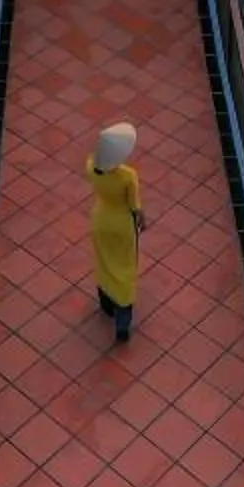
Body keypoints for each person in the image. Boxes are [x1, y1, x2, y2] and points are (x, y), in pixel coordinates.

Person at [88, 121, 145, 344]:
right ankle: (122, 321)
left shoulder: (90, 166)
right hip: (122, 224)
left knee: (105, 261)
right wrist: (142, 218)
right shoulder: (128, 176)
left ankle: (106, 303)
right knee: (125, 267)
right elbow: (134, 206)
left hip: (100, 219)